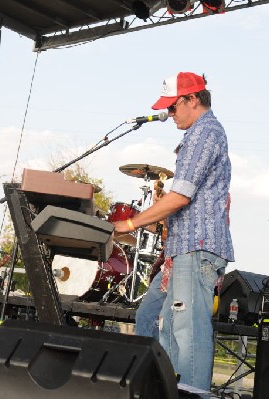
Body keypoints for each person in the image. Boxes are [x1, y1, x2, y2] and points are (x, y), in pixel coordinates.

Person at [113, 72, 234, 391]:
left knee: (187, 332)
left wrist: (128, 223)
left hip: (197, 248)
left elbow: (181, 196)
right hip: (182, 250)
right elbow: (180, 202)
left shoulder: (205, 133)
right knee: (156, 324)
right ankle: (157, 389)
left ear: (192, 99)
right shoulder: (199, 134)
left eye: (172, 106)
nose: (168, 114)